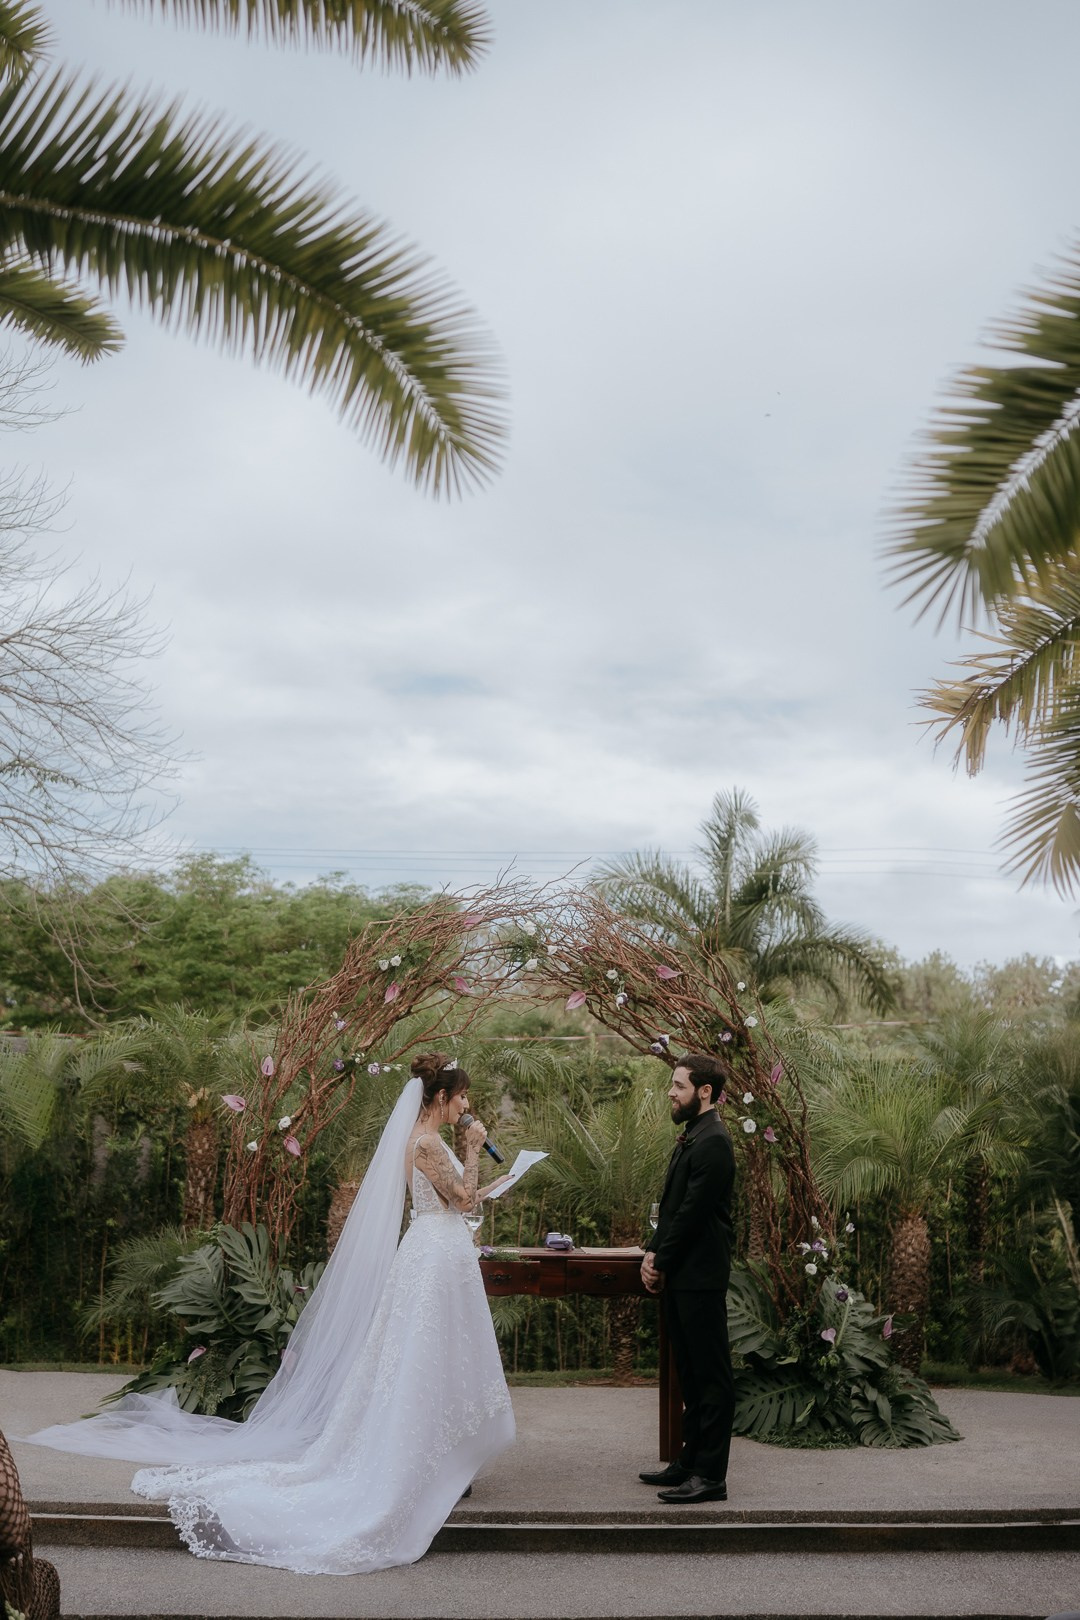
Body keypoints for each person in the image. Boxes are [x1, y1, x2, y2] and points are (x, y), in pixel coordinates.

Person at [23, 1054, 516, 1575]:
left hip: (438, 1253)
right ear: (441, 1098)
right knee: (422, 1357)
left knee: (430, 1357)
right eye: (462, 1096)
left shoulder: (422, 1141)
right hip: (433, 1258)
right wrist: (471, 1152)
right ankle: (420, 1461)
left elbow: (457, 1200)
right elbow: (460, 1200)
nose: (467, 1105)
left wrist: (487, 1185)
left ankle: (442, 1454)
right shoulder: (427, 1142)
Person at [638, 1052, 736, 1504]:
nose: (670, 1093)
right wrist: (653, 1252)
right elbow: (671, 1209)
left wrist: (658, 1259)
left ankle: (710, 1476)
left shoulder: (714, 1140)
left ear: (704, 1092)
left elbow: (693, 1217)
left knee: (711, 1377)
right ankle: (688, 1462)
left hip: (700, 1277)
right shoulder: (693, 1135)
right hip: (682, 1275)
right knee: (690, 1377)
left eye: (678, 1086)